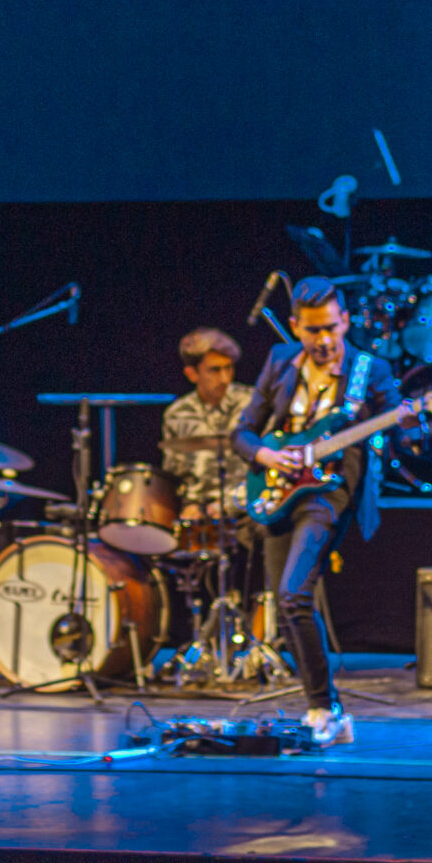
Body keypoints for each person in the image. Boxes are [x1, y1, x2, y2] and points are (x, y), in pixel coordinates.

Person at [230, 277, 400, 746]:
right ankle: (324, 710)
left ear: (345, 320)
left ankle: (326, 708)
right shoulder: (280, 360)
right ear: (294, 327)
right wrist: (266, 456)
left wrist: (402, 422)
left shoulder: (369, 370)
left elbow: (397, 430)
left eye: (331, 327)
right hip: (278, 488)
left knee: (292, 593)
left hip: (330, 492)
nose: (324, 340)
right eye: (312, 330)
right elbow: (243, 432)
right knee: (287, 604)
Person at [162, 327, 253, 532]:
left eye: (229, 368)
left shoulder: (252, 403)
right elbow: (174, 476)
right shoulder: (177, 414)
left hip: (244, 512)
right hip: (198, 517)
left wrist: (228, 505)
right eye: (215, 370)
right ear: (192, 374)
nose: (225, 379)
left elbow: (267, 467)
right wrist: (189, 506)